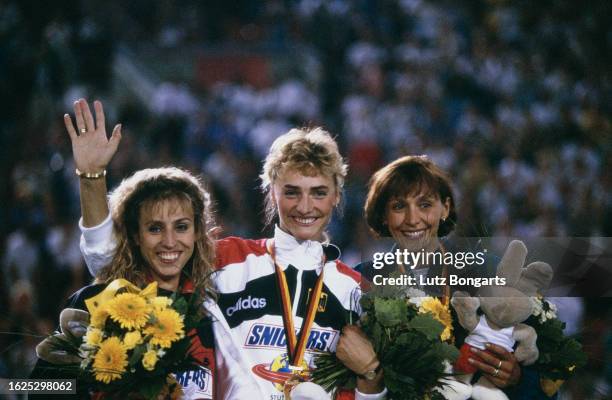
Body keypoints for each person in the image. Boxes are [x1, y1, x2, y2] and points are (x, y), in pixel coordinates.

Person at [70, 99, 386, 399]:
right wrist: (91, 178)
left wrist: (372, 374)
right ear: (271, 192)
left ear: (337, 197)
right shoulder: (225, 259)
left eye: (319, 193)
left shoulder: (355, 291)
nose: (306, 206)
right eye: (292, 192)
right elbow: (115, 266)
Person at [31, 99, 258, 399]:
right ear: (135, 236)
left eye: (181, 227)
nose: (169, 241)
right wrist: (91, 385)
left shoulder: (213, 317)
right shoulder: (99, 303)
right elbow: (32, 387)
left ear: (198, 234)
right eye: (154, 228)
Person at [358, 154, 555, 399]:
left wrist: (517, 378)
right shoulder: (362, 281)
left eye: (425, 204)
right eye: (399, 206)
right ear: (383, 215)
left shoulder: (487, 273)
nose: (412, 219)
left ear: (446, 208)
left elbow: (547, 380)